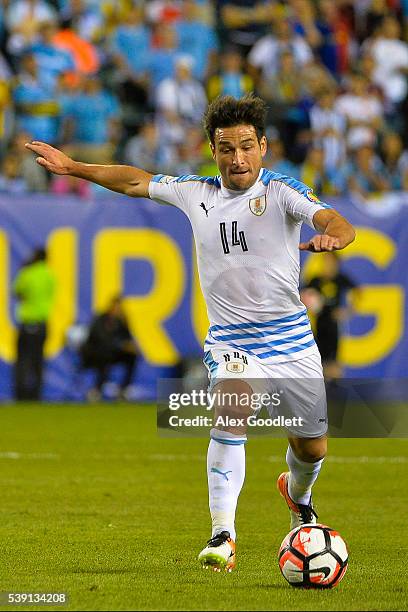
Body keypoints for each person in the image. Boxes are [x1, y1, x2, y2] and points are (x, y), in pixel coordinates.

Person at [25, 94, 355, 572]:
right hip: (231, 341)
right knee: (232, 412)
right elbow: (135, 179)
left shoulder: (283, 191)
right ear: (212, 151)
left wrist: (336, 237)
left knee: (312, 447)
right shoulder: (195, 191)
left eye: (246, 147)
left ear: (262, 146)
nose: (237, 158)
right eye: (226, 149)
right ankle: (223, 534)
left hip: (292, 340)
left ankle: (298, 497)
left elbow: (333, 220)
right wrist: (75, 167)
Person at [303, 252, 358, 379]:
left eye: (330, 261)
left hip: (334, 324)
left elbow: (358, 293)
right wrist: (310, 304)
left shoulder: (340, 279)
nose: (327, 265)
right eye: (325, 261)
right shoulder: (316, 280)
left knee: (334, 362)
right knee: (319, 359)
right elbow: (303, 295)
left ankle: (335, 389)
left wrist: (348, 312)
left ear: (336, 263)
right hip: (320, 324)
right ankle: (325, 387)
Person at [13, 247, 56, 400]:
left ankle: (21, 395)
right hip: (43, 323)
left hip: (28, 321)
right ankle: (36, 395)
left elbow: (17, 292)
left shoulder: (28, 273)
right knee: (38, 360)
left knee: (23, 360)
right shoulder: (50, 275)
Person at [80, 296, 139, 402]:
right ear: (111, 306)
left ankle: (123, 390)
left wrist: (129, 345)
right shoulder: (100, 319)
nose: (117, 309)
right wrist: (120, 345)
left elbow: (127, 338)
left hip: (113, 353)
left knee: (132, 356)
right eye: (116, 306)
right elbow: (99, 339)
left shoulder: (122, 321)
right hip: (95, 354)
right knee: (105, 355)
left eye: (119, 307)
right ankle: (97, 390)